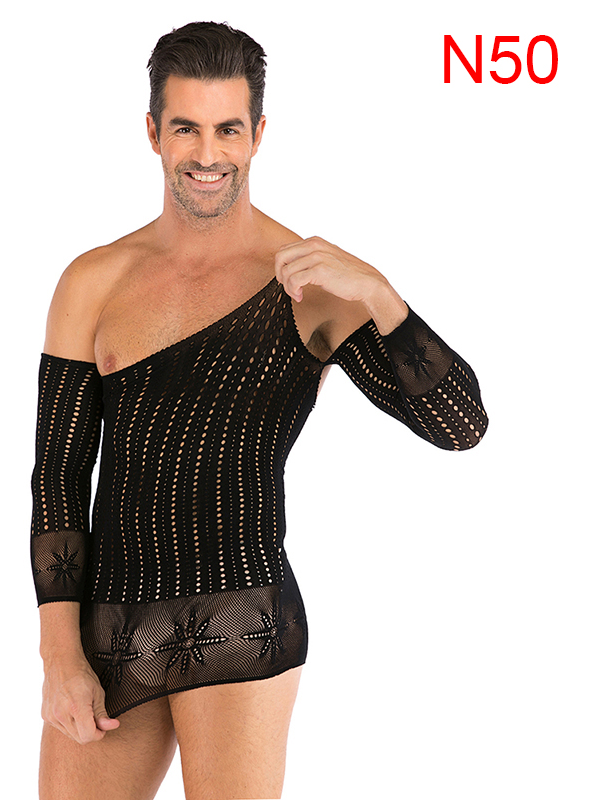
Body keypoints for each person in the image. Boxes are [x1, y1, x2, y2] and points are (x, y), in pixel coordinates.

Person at [30, 21, 488, 800]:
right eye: (186, 128)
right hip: (110, 626)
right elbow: (59, 477)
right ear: (153, 133)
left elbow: (461, 425)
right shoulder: (94, 281)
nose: (208, 154)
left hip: (243, 616)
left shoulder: (310, 284)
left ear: (259, 135)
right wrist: (59, 654)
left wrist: (383, 298)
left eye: (228, 130)